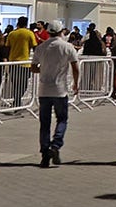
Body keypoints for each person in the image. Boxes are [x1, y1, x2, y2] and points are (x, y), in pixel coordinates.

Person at [31, 20, 80, 168]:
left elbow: (33, 68)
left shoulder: (41, 47)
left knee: (44, 124)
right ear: (61, 31)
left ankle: (45, 153)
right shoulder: (67, 47)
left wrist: (44, 70)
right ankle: (56, 144)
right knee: (62, 119)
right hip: (60, 90)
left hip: (44, 90)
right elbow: (75, 67)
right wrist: (76, 84)